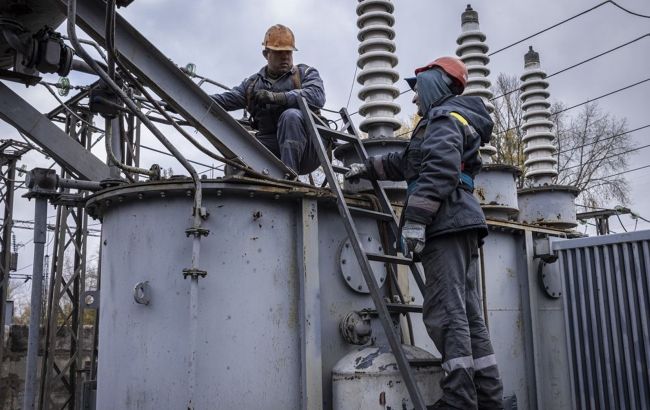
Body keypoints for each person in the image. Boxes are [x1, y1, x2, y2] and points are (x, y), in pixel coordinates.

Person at [345, 57, 504, 409]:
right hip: (459, 221)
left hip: (445, 223)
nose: (414, 100)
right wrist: (366, 168)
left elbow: (439, 171)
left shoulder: (444, 119)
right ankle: (488, 397)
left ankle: (460, 400)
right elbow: (407, 163)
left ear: (436, 82)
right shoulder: (445, 121)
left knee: (446, 313)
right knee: (467, 314)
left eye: (418, 91)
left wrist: (416, 220)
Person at [210, 24, 325, 175]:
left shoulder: (305, 73)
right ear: (266, 54)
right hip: (273, 144)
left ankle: (289, 179)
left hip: (310, 148)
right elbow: (227, 100)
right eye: (279, 53)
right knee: (238, 155)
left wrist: (279, 97)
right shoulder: (252, 85)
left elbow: (317, 96)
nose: (285, 57)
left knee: (291, 116)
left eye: (288, 52)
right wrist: (191, 98)